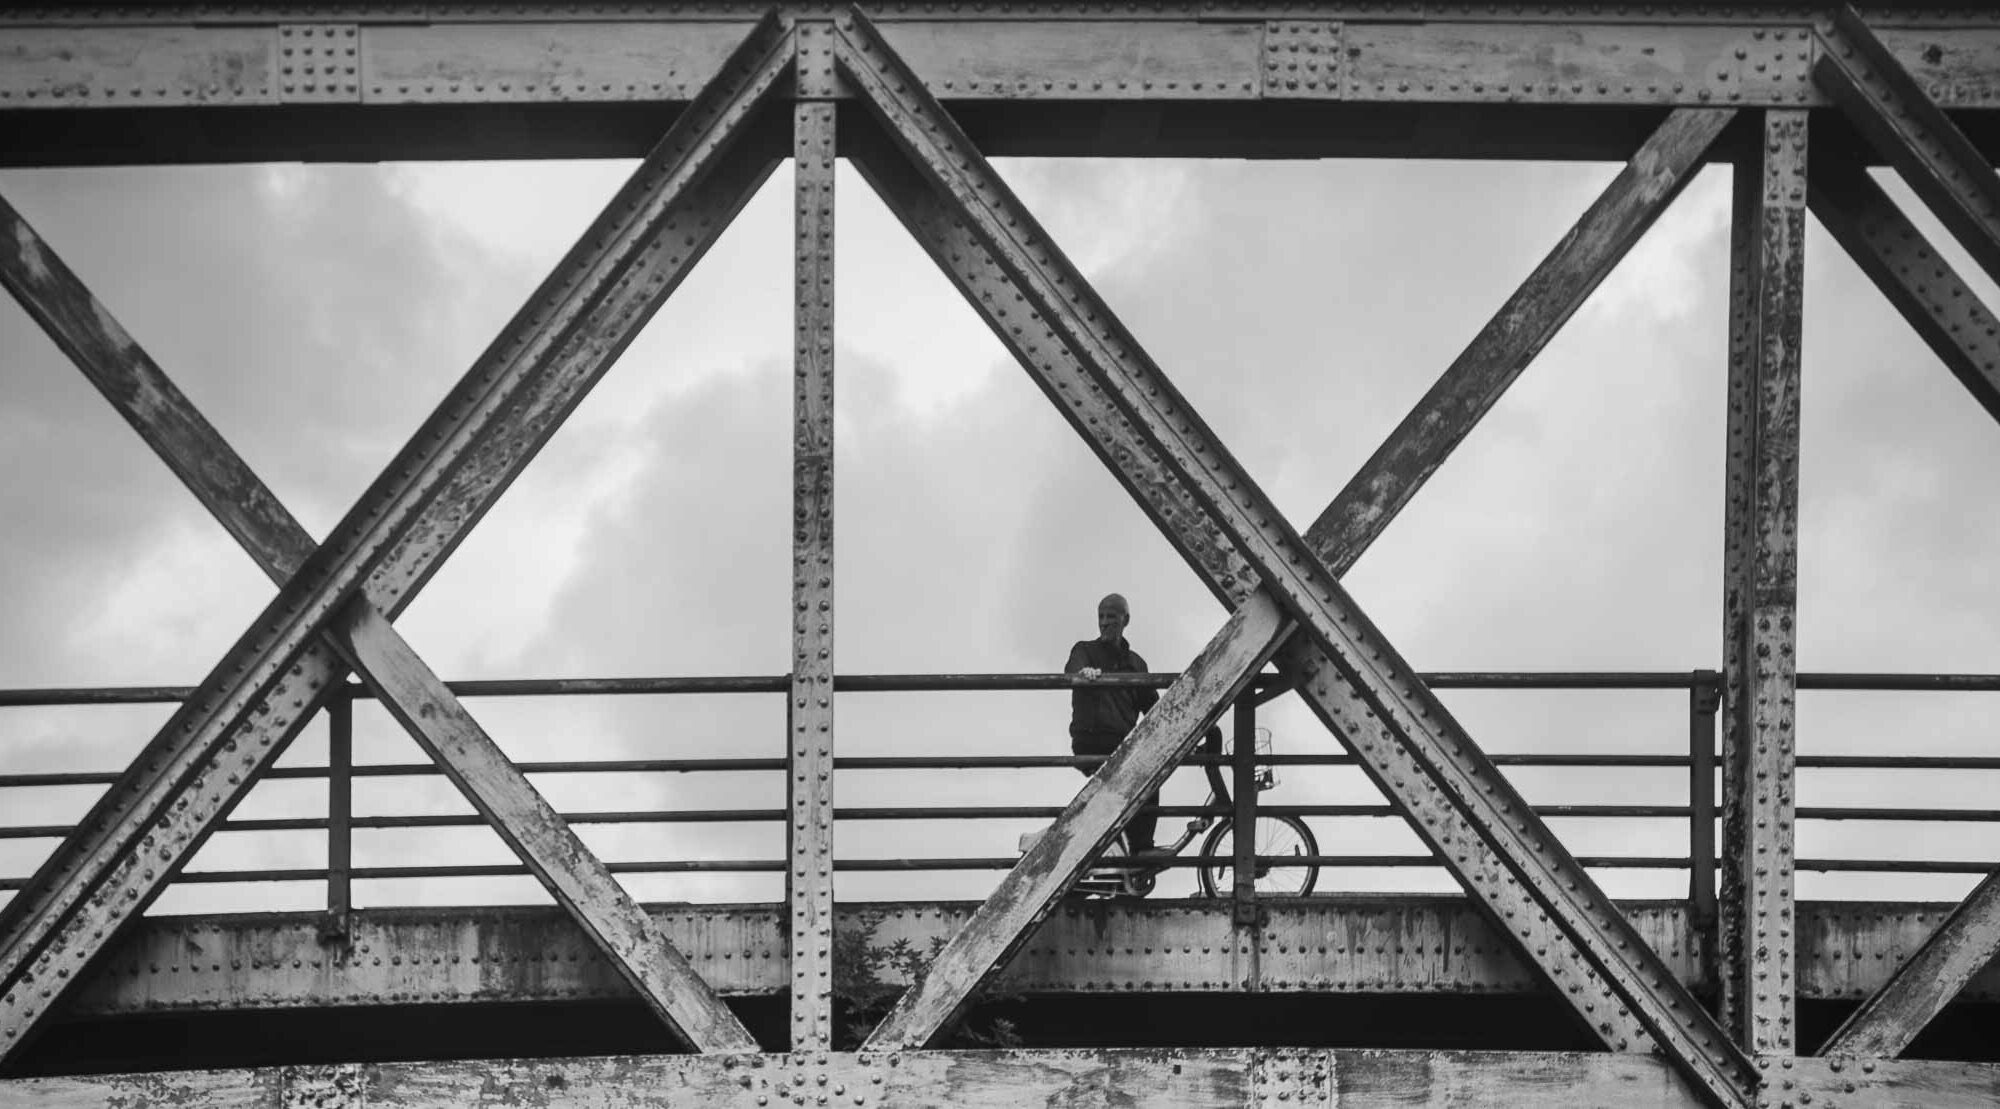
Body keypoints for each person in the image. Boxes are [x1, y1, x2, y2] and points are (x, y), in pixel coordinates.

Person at [1065, 592, 1166, 856]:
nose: (1105, 623)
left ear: (1125, 620)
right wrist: (1083, 673)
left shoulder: (1137, 664)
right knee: (1144, 771)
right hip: (1091, 739)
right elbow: (1072, 671)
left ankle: (1128, 847)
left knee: (1149, 769)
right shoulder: (1085, 650)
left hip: (1122, 742)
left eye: (1111, 617)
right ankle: (1141, 848)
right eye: (1101, 617)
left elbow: (1153, 708)